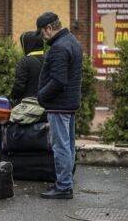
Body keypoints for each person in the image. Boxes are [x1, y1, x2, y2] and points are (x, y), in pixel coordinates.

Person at [36, 12, 83, 199]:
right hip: (69, 104)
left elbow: (58, 81)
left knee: (61, 146)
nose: (42, 37)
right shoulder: (72, 41)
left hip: (59, 105)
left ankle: (63, 186)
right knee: (69, 145)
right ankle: (66, 182)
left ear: (49, 28)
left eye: (42, 32)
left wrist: (41, 96)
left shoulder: (58, 47)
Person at [10, 31, 44, 105]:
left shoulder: (25, 61)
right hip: (45, 106)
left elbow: (19, 86)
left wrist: (11, 97)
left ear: (28, 44)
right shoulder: (49, 59)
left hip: (27, 106)